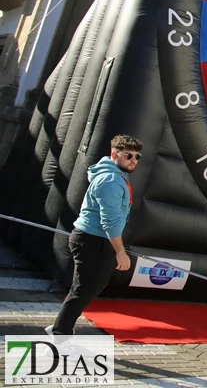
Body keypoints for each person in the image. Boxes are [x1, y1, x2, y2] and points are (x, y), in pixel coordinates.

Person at [47, 135, 143, 336]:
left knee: (90, 287)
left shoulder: (117, 176)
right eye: (128, 155)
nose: (133, 160)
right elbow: (110, 220)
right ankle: (60, 334)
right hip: (92, 240)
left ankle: (61, 325)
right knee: (84, 289)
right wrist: (120, 252)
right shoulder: (111, 180)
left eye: (137, 156)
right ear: (115, 155)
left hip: (96, 240)